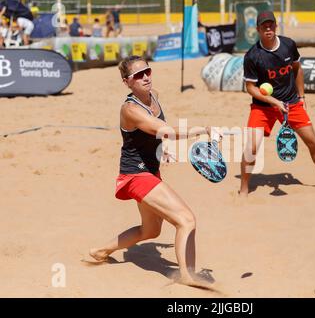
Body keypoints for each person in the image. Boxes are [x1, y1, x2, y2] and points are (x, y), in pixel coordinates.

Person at [88, 56, 220, 286]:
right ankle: (187, 276)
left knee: (151, 231)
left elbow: (157, 134)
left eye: (147, 71)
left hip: (150, 171)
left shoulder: (153, 96)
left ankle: (100, 250)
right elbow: (165, 130)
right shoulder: (130, 109)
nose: (145, 77)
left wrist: (162, 149)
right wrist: (203, 129)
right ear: (127, 82)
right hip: (136, 175)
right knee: (186, 220)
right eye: (138, 75)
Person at [239, 11, 315, 197]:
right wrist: (273, 101)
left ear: (275, 26)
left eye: (271, 24)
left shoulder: (288, 45)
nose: (268, 28)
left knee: (313, 141)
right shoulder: (252, 56)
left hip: (291, 103)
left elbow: (297, 69)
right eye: (264, 26)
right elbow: (250, 87)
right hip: (263, 107)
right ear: (258, 29)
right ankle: (243, 189)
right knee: (252, 147)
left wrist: (302, 97)